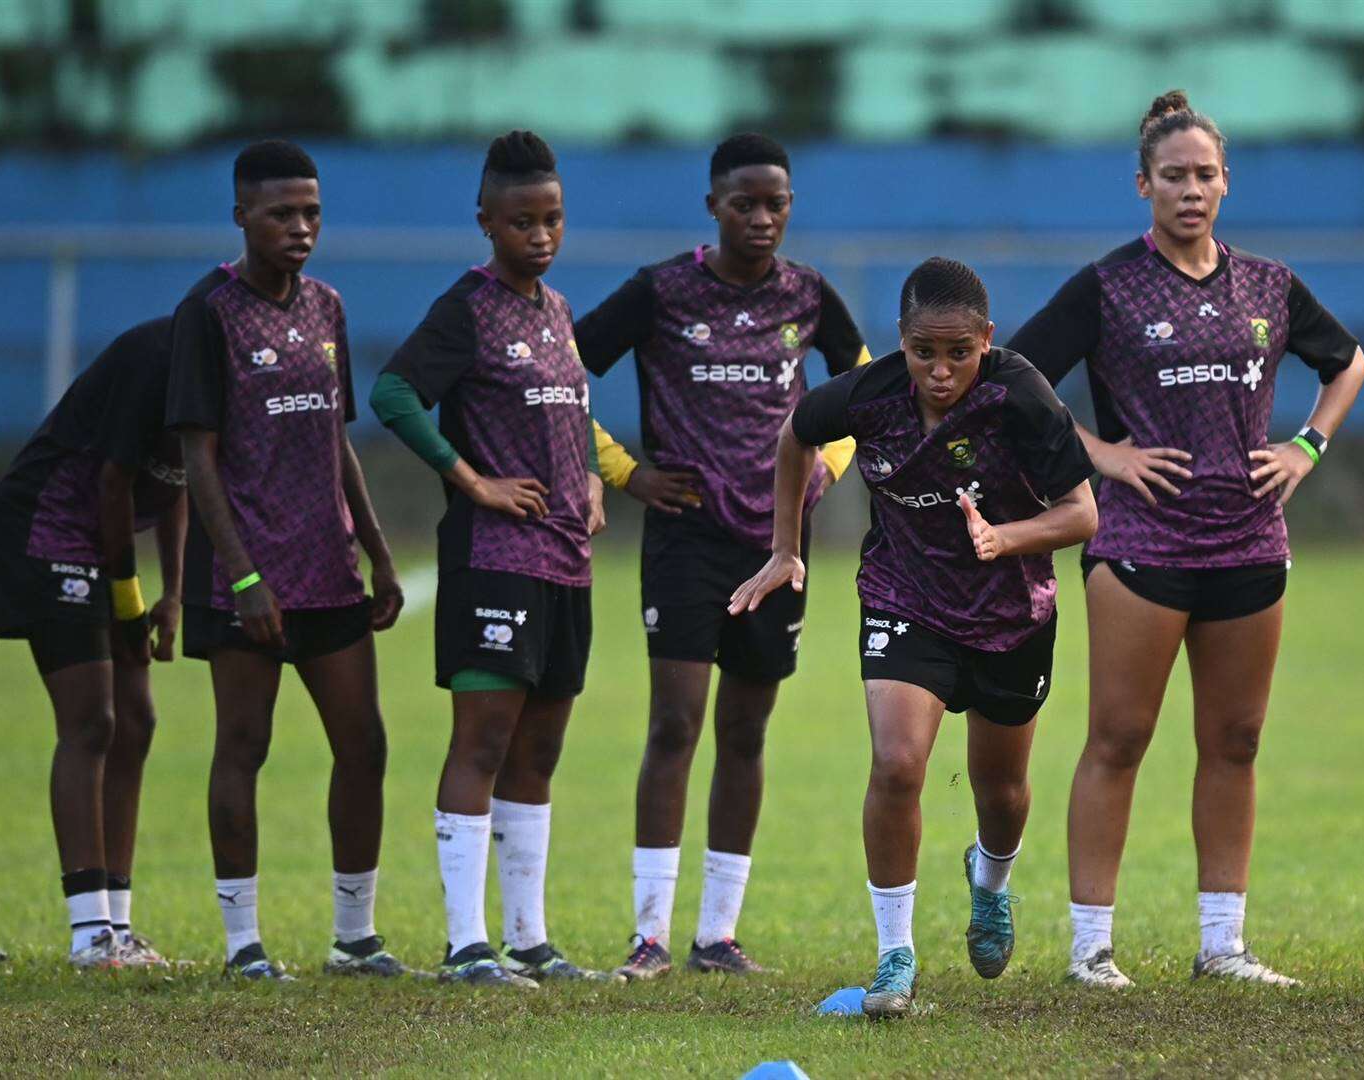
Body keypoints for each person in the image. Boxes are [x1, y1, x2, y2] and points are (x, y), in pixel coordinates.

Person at [1008, 90, 1364, 990]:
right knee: (1119, 738)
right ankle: (1092, 947)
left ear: (1226, 183)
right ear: (1143, 185)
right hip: (1141, 547)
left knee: (1236, 741)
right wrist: (1104, 457)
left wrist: (1307, 445)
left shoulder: (1269, 286)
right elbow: (1013, 381)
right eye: (1174, 176)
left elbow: (1347, 361)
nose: (1191, 190)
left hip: (1250, 543)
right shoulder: (1108, 286)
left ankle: (1224, 946)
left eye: (1206, 175)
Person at [730, 257, 1098, 1019]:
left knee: (1000, 793)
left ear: (986, 340)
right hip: (905, 598)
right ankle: (895, 956)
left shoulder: (1019, 394)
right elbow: (796, 437)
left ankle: (990, 884)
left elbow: (1083, 514)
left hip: (1011, 615)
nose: (939, 369)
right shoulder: (868, 396)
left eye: (958, 352)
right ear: (899, 342)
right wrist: (785, 547)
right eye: (923, 351)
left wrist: (1006, 538)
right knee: (898, 765)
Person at [573, 132, 868, 979]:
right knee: (675, 725)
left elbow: (868, 381)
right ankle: (650, 937)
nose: (763, 217)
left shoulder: (808, 295)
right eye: (746, 202)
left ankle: (717, 937)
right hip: (687, 539)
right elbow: (563, 375)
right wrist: (626, 472)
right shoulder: (662, 290)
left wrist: (828, 466)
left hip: (778, 545)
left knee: (746, 732)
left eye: (777, 202)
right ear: (713, 206)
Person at [167, 139, 408, 980]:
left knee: (365, 746)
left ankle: (355, 938)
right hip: (247, 576)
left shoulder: (327, 307)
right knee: (244, 746)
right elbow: (197, 459)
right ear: (242, 216)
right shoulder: (208, 311)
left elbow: (335, 437)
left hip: (329, 569)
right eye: (281, 214)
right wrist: (241, 577)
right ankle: (243, 947)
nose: (300, 227)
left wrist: (376, 550)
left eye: (311, 212)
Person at [374, 130, 606, 988]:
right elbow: (394, 393)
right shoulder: (466, 309)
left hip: (564, 562)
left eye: (551, 219)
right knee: (481, 743)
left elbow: (569, 405)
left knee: (538, 754)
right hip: (493, 559)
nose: (539, 236)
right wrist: (470, 479)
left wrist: (586, 478)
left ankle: (530, 939)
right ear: (486, 222)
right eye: (521, 222)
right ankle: (467, 944)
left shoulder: (557, 311)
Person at [0, 317, 187, 969]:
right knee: (92, 721)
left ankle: (118, 928)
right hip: (48, 529)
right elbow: (113, 481)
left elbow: (179, 480)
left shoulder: (233, 373)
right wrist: (131, 602)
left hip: (104, 543)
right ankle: (88, 935)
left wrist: (174, 593)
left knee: (136, 720)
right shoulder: (158, 355)